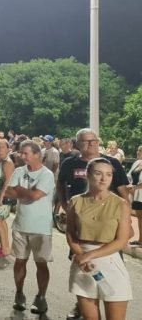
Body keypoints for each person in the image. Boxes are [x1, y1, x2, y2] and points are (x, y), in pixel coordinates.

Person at [58, 128, 131, 320]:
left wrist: (91, 254)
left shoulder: (120, 204)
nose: (104, 178)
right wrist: (81, 255)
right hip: (82, 263)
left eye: (108, 174)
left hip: (109, 259)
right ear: (88, 175)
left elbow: (123, 239)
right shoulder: (76, 200)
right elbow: (71, 234)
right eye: (98, 173)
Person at [3, 140, 55, 314]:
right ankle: (19, 293)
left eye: (26, 153)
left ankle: (41, 297)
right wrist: (26, 191)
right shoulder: (19, 171)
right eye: (21, 153)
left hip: (41, 228)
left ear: (37, 155)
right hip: (21, 224)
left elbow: (35, 195)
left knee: (41, 264)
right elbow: (9, 192)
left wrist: (20, 190)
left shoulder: (46, 175)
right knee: (19, 262)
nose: (21, 156)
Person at [128, 145, 142, 247]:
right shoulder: (137, 163)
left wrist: (134, 187)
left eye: (140, 151)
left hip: (139, 193)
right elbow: (129, 176)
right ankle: (140, 240)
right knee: (140, 218)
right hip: (136, 196)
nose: (138, 152)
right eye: (138, 150)